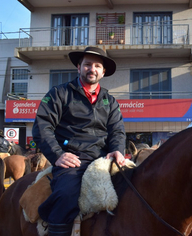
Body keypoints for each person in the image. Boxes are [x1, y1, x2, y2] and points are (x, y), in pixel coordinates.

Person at [32, 47, 126, 236]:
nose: (92, 69)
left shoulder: (110, 101)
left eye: (97, 66)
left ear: (103, 71)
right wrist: (58, 155)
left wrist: (117, 149)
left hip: (103, 159)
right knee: (66, 195)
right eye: (88, 64)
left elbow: (117, 130)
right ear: (79, 67)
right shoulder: (59, 93)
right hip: (72, 159)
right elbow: (42, 127)